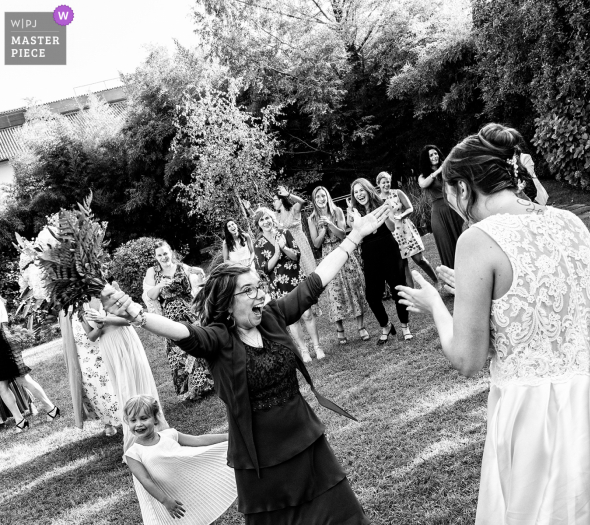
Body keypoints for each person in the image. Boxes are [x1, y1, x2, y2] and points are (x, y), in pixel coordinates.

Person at [397, 122, 590, 524]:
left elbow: (468, 359)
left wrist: (437, 305)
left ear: (464, 190)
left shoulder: (477, 239)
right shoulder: (569, 221)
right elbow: (552, 306)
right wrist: (477, 297)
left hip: (539, 413)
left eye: (452, 194)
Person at [100, 205, 388, 525]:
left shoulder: (273, 317)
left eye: (258, 287)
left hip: (307, 445)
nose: (259, 296)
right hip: (262, 466)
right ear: (227, 303)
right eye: (248, 291)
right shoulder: (218, 341)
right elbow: (183, 332)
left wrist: (355, 236)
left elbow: (315, 282)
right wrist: (137, 314)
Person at [123, 395, 237, 525]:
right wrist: (165, 500)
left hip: (183, 487)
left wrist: (226, 437)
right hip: (162, 496)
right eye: (133, 420)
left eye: (144, 418)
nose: (138, 424)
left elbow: (198, 440)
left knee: (193, 517)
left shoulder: (169, 435)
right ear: (127, 422)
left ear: (155, 418)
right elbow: (145, 480)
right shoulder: (133, 453)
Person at [84, 298, 167, 453]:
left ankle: (157, 429)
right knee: (123, 388)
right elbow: (91, 336)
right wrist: (100, 326)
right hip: (108, 346)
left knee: (139, 381)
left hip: (125, 341)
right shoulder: (81, 306)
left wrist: (104, 318)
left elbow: (129, 319)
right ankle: (136, 438)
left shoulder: (109, 293)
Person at [143, 241, 214, 400]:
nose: (163, 257)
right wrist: (160, 285)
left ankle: (210, 380)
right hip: (172, 314)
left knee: (199, 341)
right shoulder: (152, 272)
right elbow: (151, 296)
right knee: (180, 350)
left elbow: (195, 275)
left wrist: (198, 271)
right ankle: (193, 388)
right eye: (159, 255)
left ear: (170, 252)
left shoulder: (181, 266)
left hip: (190, 310)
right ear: (156, 257)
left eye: (165, 253)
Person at [253, 207, 325, 361]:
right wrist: (277, 252)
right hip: (278, 285)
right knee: (292, 318)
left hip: (295, 278)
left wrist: (284, 247)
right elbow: (265, 269)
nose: (265, 222)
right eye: (261, 220)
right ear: (258, 224)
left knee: (307, 314)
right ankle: (304, 350)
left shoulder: (285, 233)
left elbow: (296, 256)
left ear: (272, 218)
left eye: (267, 218)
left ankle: (317, 347)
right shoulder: (258, 244)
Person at [347, 178, 412, 343]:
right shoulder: (355, 212)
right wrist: (351, 219)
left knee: (399, 289)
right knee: (372, 296)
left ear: (368, 190)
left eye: (362, 190)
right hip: (370, 254)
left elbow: (391, 228)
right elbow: (355, 235)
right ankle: (386, 325)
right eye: (356, 192)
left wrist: (388, 213)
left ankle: (405, 326)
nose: (360, 194)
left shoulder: (383, 203)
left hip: (389, 250)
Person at [307, 186, 369, 344]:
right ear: (314, 200)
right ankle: (340, 330)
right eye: (318, 197)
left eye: (323, 196)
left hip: (343, 250)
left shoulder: (337, 212)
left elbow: (342, 234)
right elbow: (316, 244)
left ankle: (361, 327)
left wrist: (329, 223)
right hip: (328, 255)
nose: (321, 199)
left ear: (327, 197)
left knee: (353, 287)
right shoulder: (311, 219)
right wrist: (322, 230)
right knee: (334, 292)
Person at [0, 299, 60, 433]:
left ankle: (51, 408)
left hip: (4, 343)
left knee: (23, 379)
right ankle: (19, 421)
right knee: (1, 386)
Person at [376, 171, 438, 288]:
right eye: (383, 183)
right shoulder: (378, 200)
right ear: (378, 184)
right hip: (393, 235)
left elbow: (410, 208)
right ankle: (413, 292)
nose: (386, 184)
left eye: (388, 182)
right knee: (403, 266)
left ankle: (436, 281)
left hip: (406, 229)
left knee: (419, 260)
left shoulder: (397, 193)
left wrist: (401, 216)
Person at [73, 303, 120, 436]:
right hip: (84, 353)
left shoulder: (90, 303)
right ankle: (107, 422)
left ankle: (123, 415)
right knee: (94, 386)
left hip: (102, 347)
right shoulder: (70, 311)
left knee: (111, 383)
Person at [418, 144, 464, 269]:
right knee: (446, 244)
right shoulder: (423, 176)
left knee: (461, 239)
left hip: (454, 207)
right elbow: (423, 185)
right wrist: (437, 171)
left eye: (435, 153)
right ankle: (453, 276)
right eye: (431, 155)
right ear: (426, 159)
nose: (434, 156)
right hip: (438, 213)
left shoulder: (448, 169)